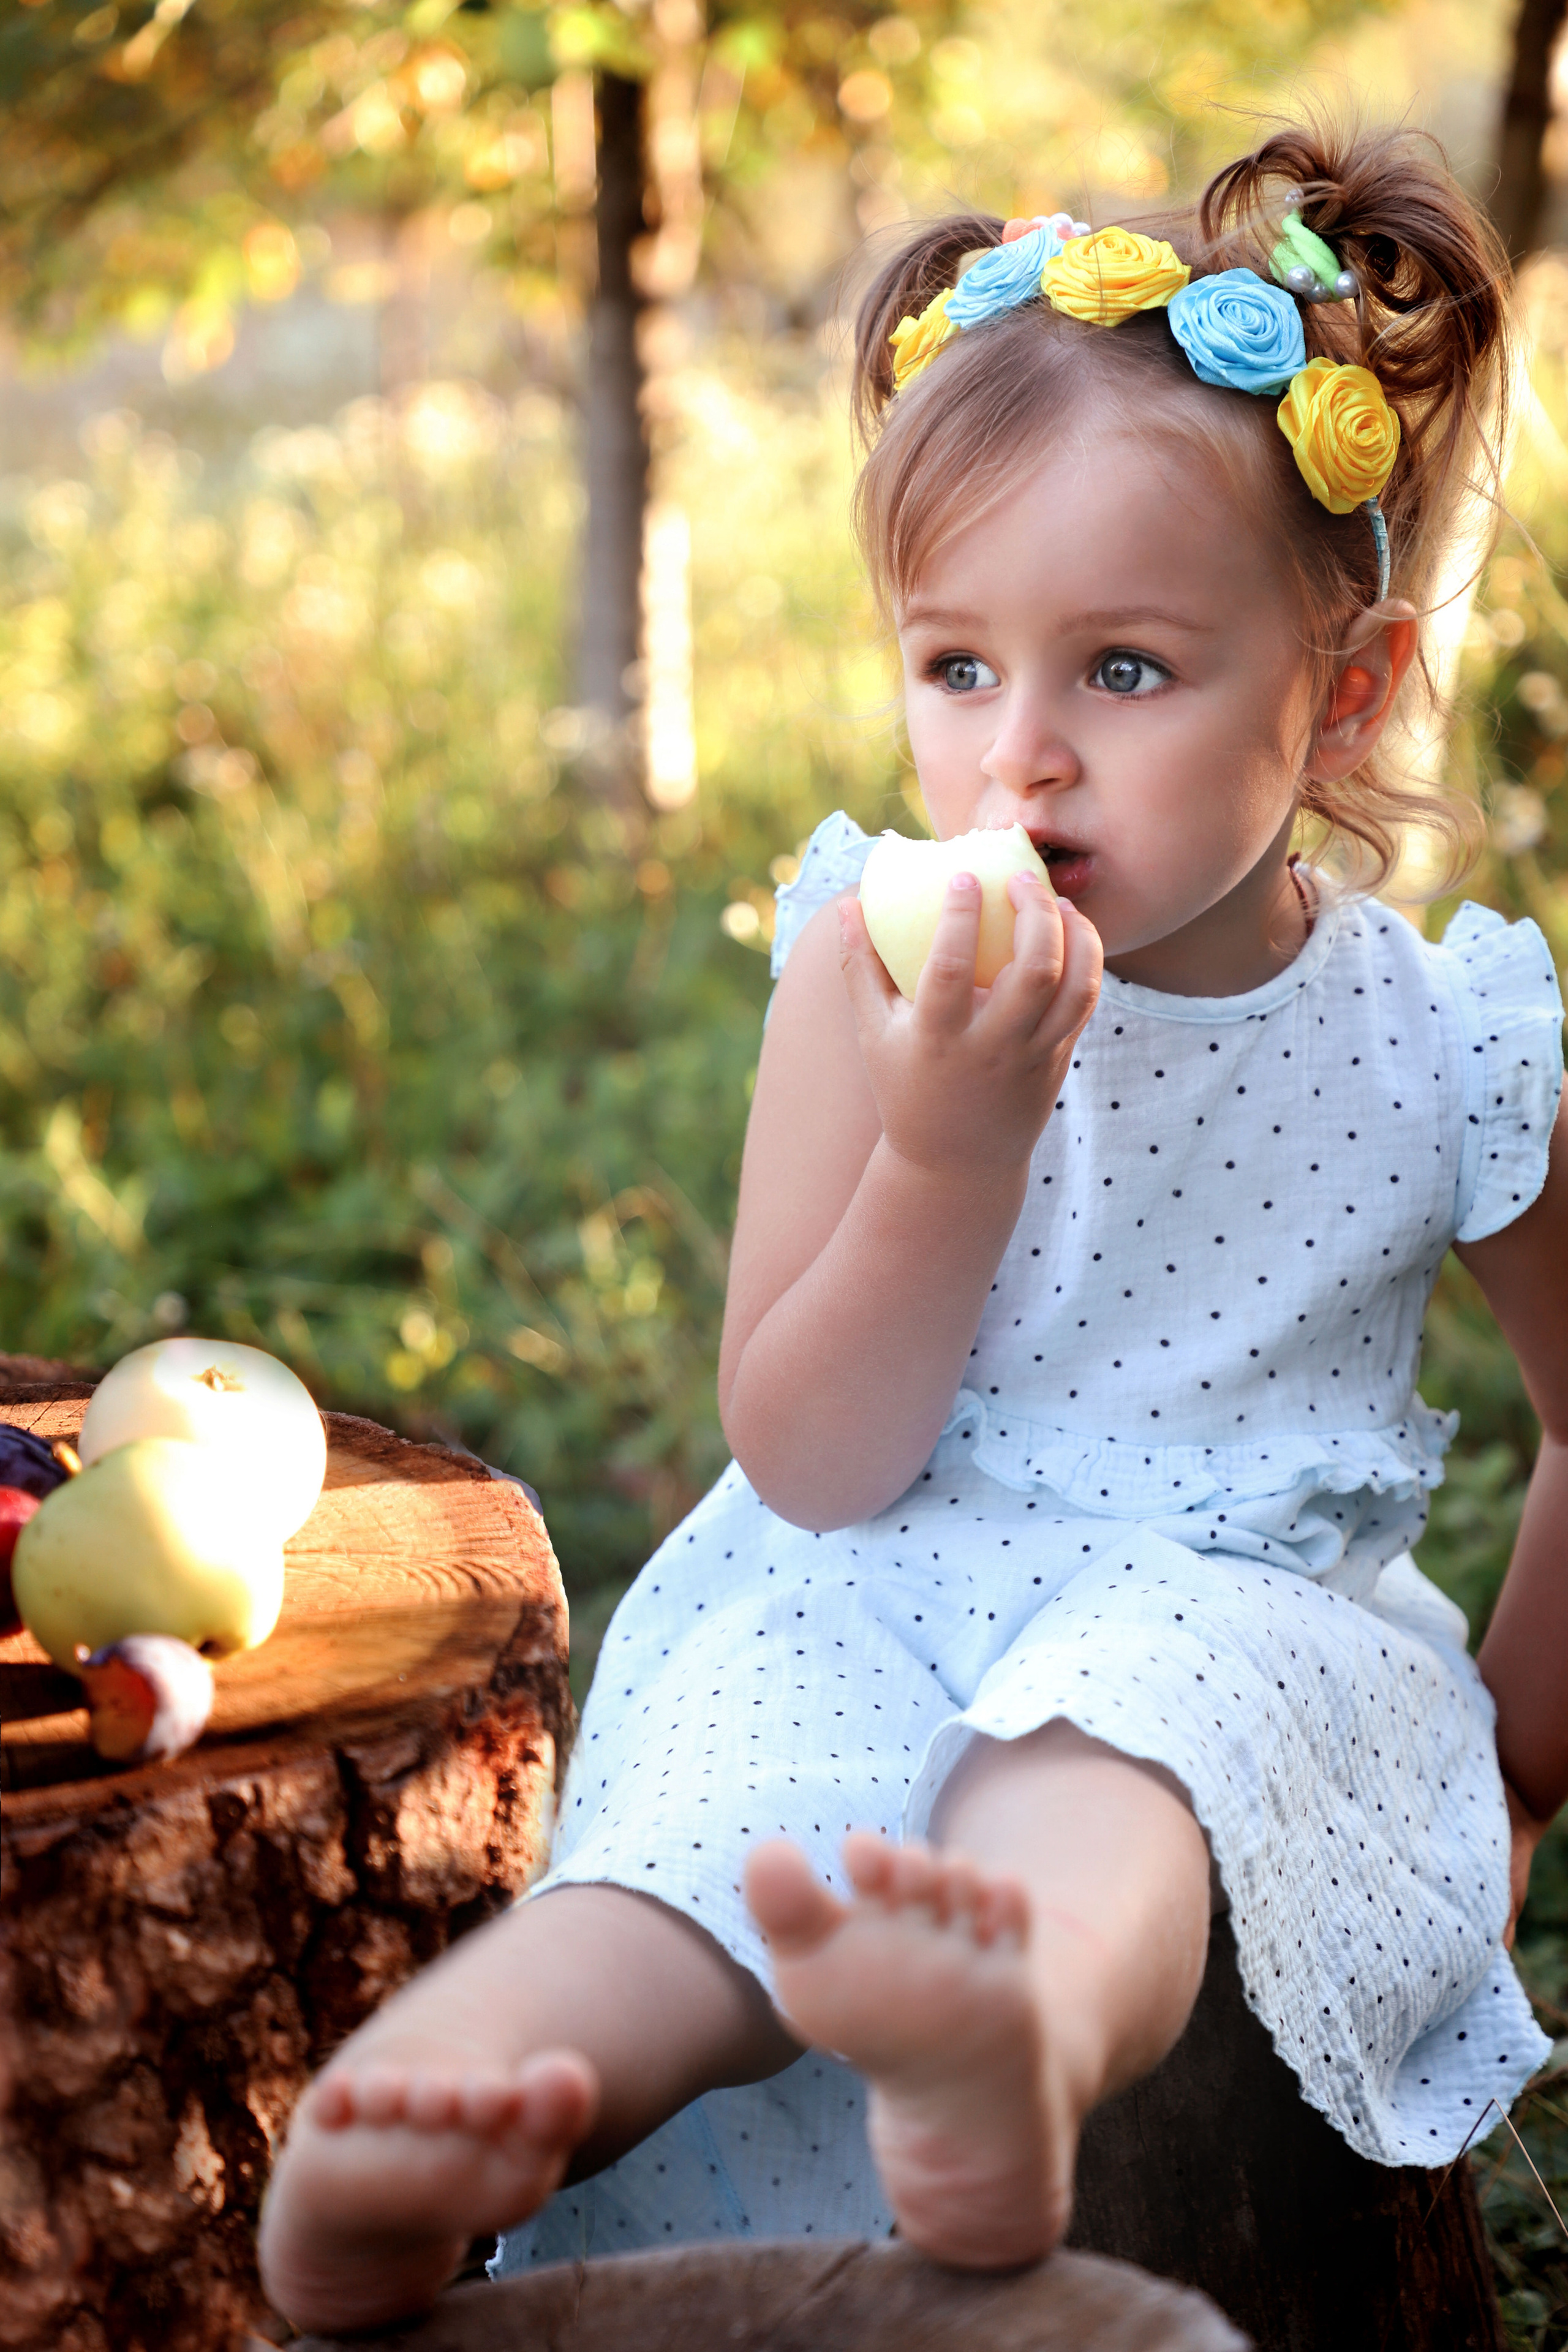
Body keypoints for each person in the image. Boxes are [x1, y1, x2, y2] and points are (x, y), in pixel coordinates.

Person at [258, 121, 1568, 2334]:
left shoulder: (1438, 1040)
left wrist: (1511, 1773)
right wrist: (948, 1152)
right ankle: (465, 2092)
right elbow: (812, 1457)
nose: (1018, 761)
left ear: (1340, 692)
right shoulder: (870, 971)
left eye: (1121, 672)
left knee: (1123, 1741)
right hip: (868, 1583)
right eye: (958, 668)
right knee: (733, 1814)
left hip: (1228, 1626)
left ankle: (1009, 2036)